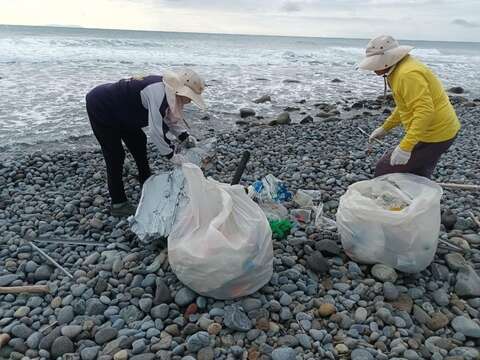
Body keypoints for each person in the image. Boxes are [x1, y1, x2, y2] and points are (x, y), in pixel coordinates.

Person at [86, 69, 206, 217]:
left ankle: (146, 181)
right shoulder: (158, 91)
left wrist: (184, 137)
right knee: (115, 155)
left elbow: (168, 118)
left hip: (125, 111)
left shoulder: (171, 93)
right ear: (181, 91)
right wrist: (172, 156)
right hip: (102, 105)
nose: (190, 101)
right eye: (190, 97)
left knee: (139, 142)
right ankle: (118, 203)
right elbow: (156, 130)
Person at [359, 35, 461, 179]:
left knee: (385, 169)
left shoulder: (407, 75)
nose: (373, 69)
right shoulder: (399, 68)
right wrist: (385, 127)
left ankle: (390, 200)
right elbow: (404, 106)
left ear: (388, 60)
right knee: (418, 174)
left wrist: (405, 147)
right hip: (441, 129)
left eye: (375, 64)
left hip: (436, 134)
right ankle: (417, 200)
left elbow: (425, 112)